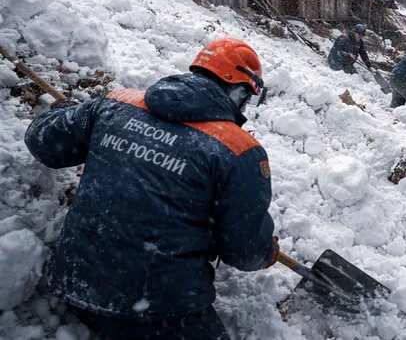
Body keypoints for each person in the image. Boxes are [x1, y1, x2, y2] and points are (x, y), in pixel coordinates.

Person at [24, 38, 277, 340]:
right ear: (239, 90)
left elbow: (44, 143)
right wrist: (266, 252)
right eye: (247, 98)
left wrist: (66, 113)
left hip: (73, 280)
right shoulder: (238, 150)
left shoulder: (115, 103)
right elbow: (245, 252)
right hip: (156, 310)